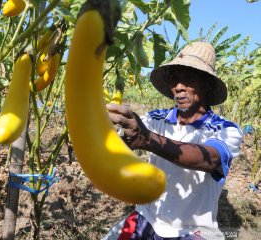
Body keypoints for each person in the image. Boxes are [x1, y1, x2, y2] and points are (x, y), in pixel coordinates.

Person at [103, 42, 243, 240]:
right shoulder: (155, 119)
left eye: (188, 79)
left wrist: (148, 139)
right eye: (175, 79)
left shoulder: (225, 129)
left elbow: (206, 159)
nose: (178, 87)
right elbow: (126, 139)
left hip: (192, 231)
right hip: (147, 218)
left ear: (208, 85)